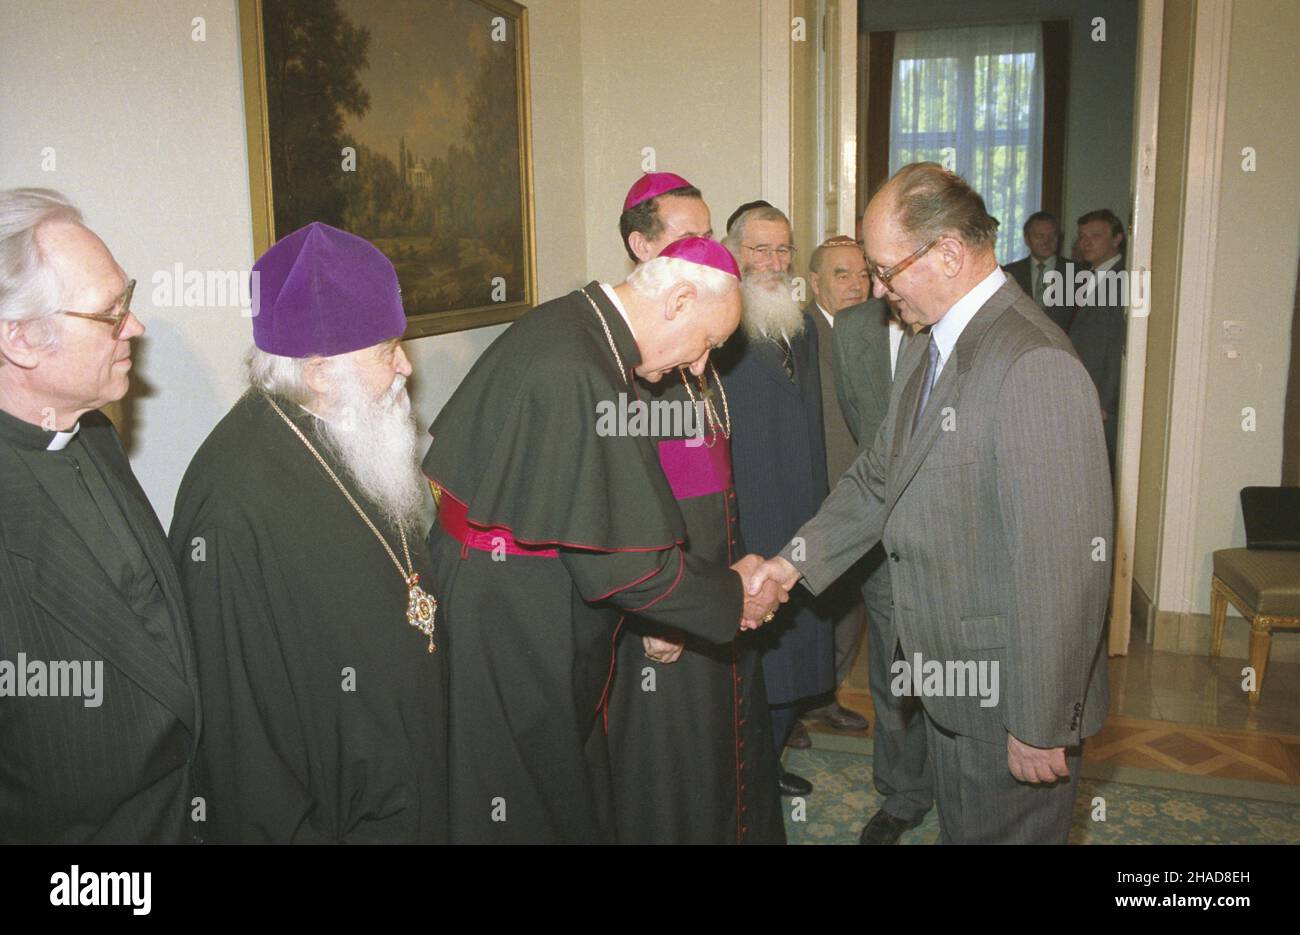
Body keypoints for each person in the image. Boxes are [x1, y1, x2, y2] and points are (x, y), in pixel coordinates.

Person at [748, 163, 1112, 844]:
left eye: (886, 270)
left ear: (948, 252)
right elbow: (876, 479)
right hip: (948, 679)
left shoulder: (1033, 363)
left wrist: (1041, 718)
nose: (878, 290)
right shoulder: (928, 345)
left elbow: (1066, 565)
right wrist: (788, 565)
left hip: (1009, 695)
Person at [423, 236, 787, 843]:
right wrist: (731, 595)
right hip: (510, 617)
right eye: (708, 344)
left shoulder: (571, 323)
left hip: (504, 594)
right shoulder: (582, 370)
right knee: (522, 799)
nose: (699, 367)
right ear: (678, 300)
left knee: (563, 783)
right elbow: (626, 570)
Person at [170, 222, 448, 843]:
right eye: (387, 350)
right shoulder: (232, 508)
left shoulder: (351, 437)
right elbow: (246, 746)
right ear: (321, 371)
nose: (406, 366)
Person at [0, 188, 200, 843]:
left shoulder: (93, 433)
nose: (134, 327)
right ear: (22, 340)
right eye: (110, 312)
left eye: (129, 298)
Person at [605, 173, 783, 844]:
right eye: (688, 237)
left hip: (716, 586)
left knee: (730, 743)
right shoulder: (627, 364)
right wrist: (661, 614)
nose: (706, 248)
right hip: (664, 609)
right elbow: (623, 513)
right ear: (641, 247)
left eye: (709, 235)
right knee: (669, 763)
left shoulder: (697, 341)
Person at [717, 204, 834, 798]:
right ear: (733, 251)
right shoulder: (714, 329)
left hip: (803, 517)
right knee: (755, 664)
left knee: (798, 657)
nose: (772, 262)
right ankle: (746, 778)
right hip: (749, 523)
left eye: (783, 250)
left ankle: (769, 761)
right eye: (759, 249)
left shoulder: (803, 325)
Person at [828, 287, 936, 844]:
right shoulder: (850, 330)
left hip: (961, 537)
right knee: (895, 667)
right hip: (884, 532)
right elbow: (861, 439)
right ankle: (904, 789)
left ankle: (961, 777)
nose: (874, 286)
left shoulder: (979, 324)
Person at [801, 235, 873, 737]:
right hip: (820, 493)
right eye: (842, 274)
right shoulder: (800, 333)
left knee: (852, 607)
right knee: (812, 609)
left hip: (867, 493)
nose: (856, 285)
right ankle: (796, 705)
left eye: (864, 275)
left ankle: (824, 695)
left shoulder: (876, 329)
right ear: (815, 282)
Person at [1071, 208, 1127, 467]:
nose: (1086, 243)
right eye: (1082, 236)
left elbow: (1119, 347)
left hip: (1103, 407)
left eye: (1096, 235)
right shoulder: (1087, 277)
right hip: (1085, 394)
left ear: (1116, 239)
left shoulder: (1123, 280)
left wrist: (1105, 402)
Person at [1003, 211, 1072, 329]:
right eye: (1040, 236)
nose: (1047, 242)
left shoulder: (1076, 272)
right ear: (1026, 239)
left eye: (1053, 236)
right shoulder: (1010, 273)